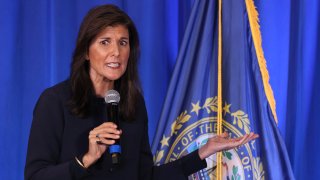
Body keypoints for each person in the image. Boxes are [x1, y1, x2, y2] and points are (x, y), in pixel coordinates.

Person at [24, 4, 258, 180]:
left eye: (123, 42)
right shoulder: (54, 102)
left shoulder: (133, 107)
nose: (116, 52)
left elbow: (146, 177)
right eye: (105, 42)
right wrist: (85, 160)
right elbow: (35, 176)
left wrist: (202, 154)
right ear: (86, 51)